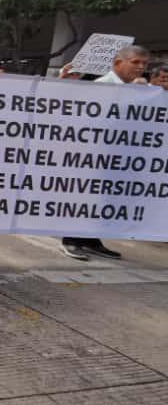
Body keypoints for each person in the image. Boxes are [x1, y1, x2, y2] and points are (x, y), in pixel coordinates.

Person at [60, 45, 150, 261]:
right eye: (135, 62)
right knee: (85, 199)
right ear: (118, 63)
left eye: (144, 64)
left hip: (119, 157)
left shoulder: (138, 89)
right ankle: (71, 240)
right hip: (96, 156)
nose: (141, 68)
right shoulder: (102, 86)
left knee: (106, 201)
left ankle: (91, 240)